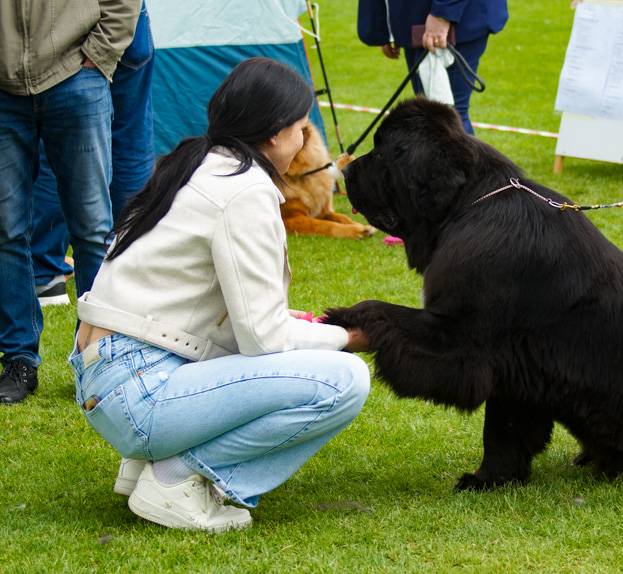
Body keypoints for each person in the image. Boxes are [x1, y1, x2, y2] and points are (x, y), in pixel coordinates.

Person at [71, 58, 371, 532]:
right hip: (138, 391)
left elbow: (216, 310)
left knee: (308, 356)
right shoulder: (244, 190)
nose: (304, 141)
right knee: (344, 380)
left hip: (107, 378)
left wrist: (293, 327)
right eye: (300, 128)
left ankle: (152, 461)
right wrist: (348, 337)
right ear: (273, 133)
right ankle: (176, 476)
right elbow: (264, 339)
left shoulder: (196, 162)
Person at [0, 0, 141, 404]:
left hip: (77, 78)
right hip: (5, 90)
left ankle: (98, 358)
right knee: (6, 230)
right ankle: (19, 359)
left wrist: (99, 55)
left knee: (92, 227)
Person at [33, 1, 156, 307]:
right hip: (123, 20)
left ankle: (46, 271)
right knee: (130, 140)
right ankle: (132, 267)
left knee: (57, 142)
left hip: (68, 28)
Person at [358, 0, 508, 134]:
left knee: (446, 121)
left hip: (449, 22)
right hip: (418, 23)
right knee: (435, 120)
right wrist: (384, 27)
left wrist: (442, 14)